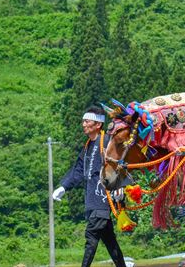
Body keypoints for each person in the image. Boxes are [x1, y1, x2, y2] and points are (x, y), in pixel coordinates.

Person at [52, 106, 126, 267]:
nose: (83, 124)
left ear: (98, 124)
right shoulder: (87, 146)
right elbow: (78, 170)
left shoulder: (108, 141)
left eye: (87, 121)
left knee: (91, 236)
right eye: (83, 121)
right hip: (91, 201)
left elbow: (121, 163)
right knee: (110, 242)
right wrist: (63, 187)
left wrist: (121, 186)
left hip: (103, 199)